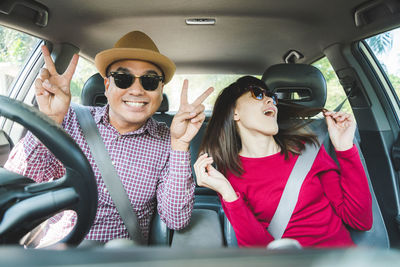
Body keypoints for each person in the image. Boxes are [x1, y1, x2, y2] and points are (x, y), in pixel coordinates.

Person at [5, 31, 213, 245]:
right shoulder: (68, 120)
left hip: (119, 255)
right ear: (107, 86)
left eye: (150, 81)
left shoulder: (167, 142)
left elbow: (176, 220)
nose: (137, 90)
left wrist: (180, 145)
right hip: (58, 250)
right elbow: (16, 190)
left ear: (160, 91)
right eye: (123, 79)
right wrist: (49, 121)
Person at [194, 75, 372, 248]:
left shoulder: (307, 150)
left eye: (272, 97)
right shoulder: (228, 175)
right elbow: (261, 254)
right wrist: (228, 194)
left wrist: (345, 148)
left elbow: (360, 220)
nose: (271, 101)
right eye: (257, 94)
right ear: (234, 112)